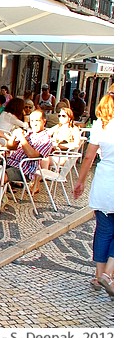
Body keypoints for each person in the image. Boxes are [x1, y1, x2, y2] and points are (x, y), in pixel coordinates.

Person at [73, 88, 114, 298]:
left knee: (104, 229)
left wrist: (80, 181)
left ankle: (98, 276)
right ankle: (108, 274)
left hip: (105, 180)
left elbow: (88, 157)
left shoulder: (101, 124)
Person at [3, 109, 54, 191]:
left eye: (37, 120)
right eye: (32, 121)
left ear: (44, 121)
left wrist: (21, 138)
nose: (34, 123)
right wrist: (14, 136)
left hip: (23, 169)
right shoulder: (28, 134)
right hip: (9, 162)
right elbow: (10, 147)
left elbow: (32, 155)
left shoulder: (46, 139)